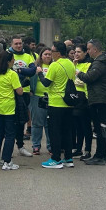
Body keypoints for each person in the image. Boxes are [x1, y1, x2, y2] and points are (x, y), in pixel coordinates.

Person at [76, 39, 106, 165]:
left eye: (89, 49)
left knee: (100, 127)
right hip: (104, 98)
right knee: (103, 127)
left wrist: (79, 73)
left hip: (99, 99)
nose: (88, 51)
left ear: (95, 49)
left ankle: (100, 155)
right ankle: (104, 154)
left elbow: (89, 78)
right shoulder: (105, 61)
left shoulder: (99, 63)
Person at [39, 41, 76, 169]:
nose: (51, 54)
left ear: (58, 53)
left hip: (56, 102)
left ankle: (55, 159)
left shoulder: (55, 65)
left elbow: (46, 83)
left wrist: (39, 73)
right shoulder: (70, 64)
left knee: (54, 131)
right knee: (67, 131)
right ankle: (68, 158)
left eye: (53, 51)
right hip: (68, 103)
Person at [0, 49, 24, 171]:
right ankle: (7, 161)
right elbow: (19, 91)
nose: (14, 61)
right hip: (9, 108)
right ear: (8, 61)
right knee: (10, 134)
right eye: (12, 59)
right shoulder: (12, 74)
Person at [8, 36, 36, 158]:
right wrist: (24, 70)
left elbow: (32, 71)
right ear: (11, 44)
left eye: (20, 43)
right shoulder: (7, 54)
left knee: (21, 121)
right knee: (9, 121)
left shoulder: (28, 56)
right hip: (10, 92)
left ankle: (20, 146)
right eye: (16, 44)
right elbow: (4, 69)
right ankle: (7, 147)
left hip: (24, 92)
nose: (19, 46)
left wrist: (19, 71)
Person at [71, 44, 93, 159]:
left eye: (79, 52)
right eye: (75, 52)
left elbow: (84, 80)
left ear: (85, 53)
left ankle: (88, 149)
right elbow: (71, 79)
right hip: (74, 97)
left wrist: (77, 78)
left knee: (85, 125)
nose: (76, 54)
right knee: (77, 125)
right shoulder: (74, 64)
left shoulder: (89, 64)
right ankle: (78, 148)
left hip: (85, 97)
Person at [30, 47, 53, 154]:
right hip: (37, 97)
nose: (48, 56)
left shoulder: (54, 66)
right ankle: (36, 145)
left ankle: (50, 146)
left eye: (49, 54)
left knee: (50, 124)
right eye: (45, 54)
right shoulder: (35, 67)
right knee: (37, 123)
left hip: (51, 98)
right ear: (41, 55)